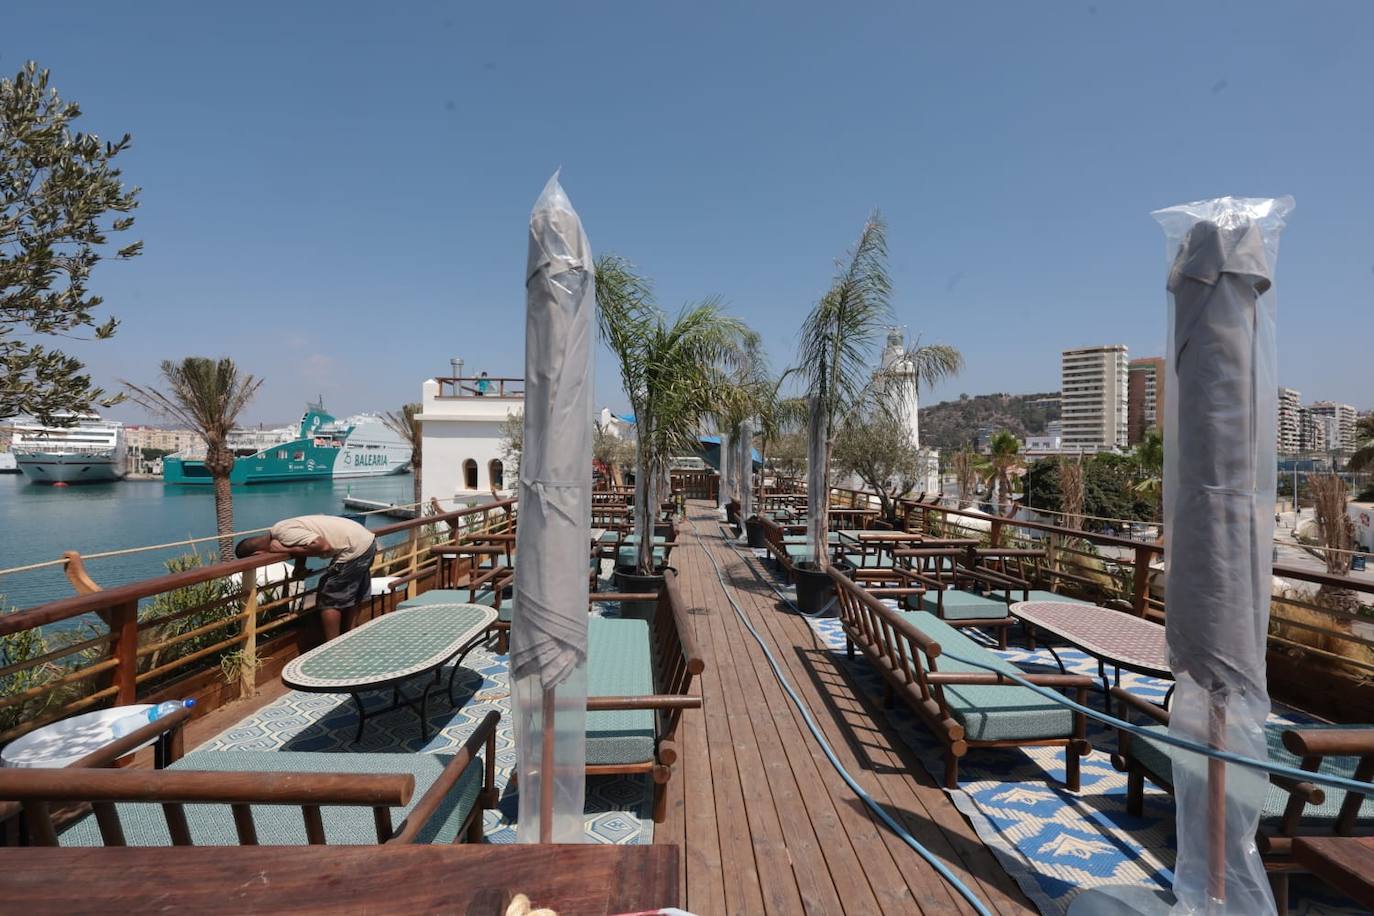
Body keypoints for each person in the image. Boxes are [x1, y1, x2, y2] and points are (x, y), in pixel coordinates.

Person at [235, 515, 376, 643]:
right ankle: (349, 638)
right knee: (352, 595)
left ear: (257, 554)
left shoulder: (283, 533)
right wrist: (299, 565)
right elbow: (302, 542)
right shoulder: (281, 529)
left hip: (355, 549)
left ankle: (334, 647)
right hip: (365, 541)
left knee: (329, 598)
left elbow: (323, 547)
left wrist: (282, 550)